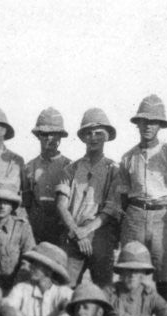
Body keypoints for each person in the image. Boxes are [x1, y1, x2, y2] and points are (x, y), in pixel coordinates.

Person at [118, 94, 167, 312]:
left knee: (164, 284)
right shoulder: (127, 158)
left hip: (162, 218)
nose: (147, 126)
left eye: (153, 122)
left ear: (160, 125)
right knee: (130, 283)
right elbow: (123, 197)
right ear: (137, 124)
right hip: (134, 217)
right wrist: (129, 219)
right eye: (143, 121)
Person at [55, 108, 123, 288]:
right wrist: (77, 231)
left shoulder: (113, 170)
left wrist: (87, 231)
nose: (93, 137)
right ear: (83, 137)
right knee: (65, 289)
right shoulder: (71, 169)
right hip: (73, 235)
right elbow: (61, 205)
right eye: (88, 133)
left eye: (99, 133)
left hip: (100, 236)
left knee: (102, 290)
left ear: (107, 136)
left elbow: (110, 209)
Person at [23, 108, 72, 244]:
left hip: (61, 227)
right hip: (36, 226)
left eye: (54, 134)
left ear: (60, 136)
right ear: (38, 135)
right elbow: (26, 203)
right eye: (45, 134)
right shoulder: (29, 167)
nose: (50, 138)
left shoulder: (70, 167)